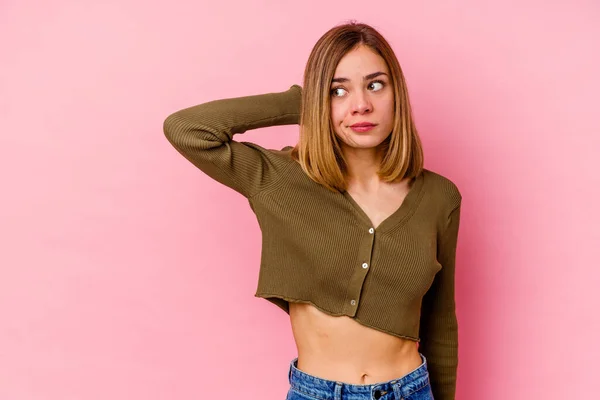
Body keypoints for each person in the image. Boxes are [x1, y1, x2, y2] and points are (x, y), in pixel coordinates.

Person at [163, 21, 462, 400]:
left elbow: (440, 322)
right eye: (338, 90)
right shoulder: (278, 179)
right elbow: (187, 129)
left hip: (412, 390)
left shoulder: (439, 196)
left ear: (396, 93)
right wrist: (306, 103)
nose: (361, 105)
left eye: (375, 85)